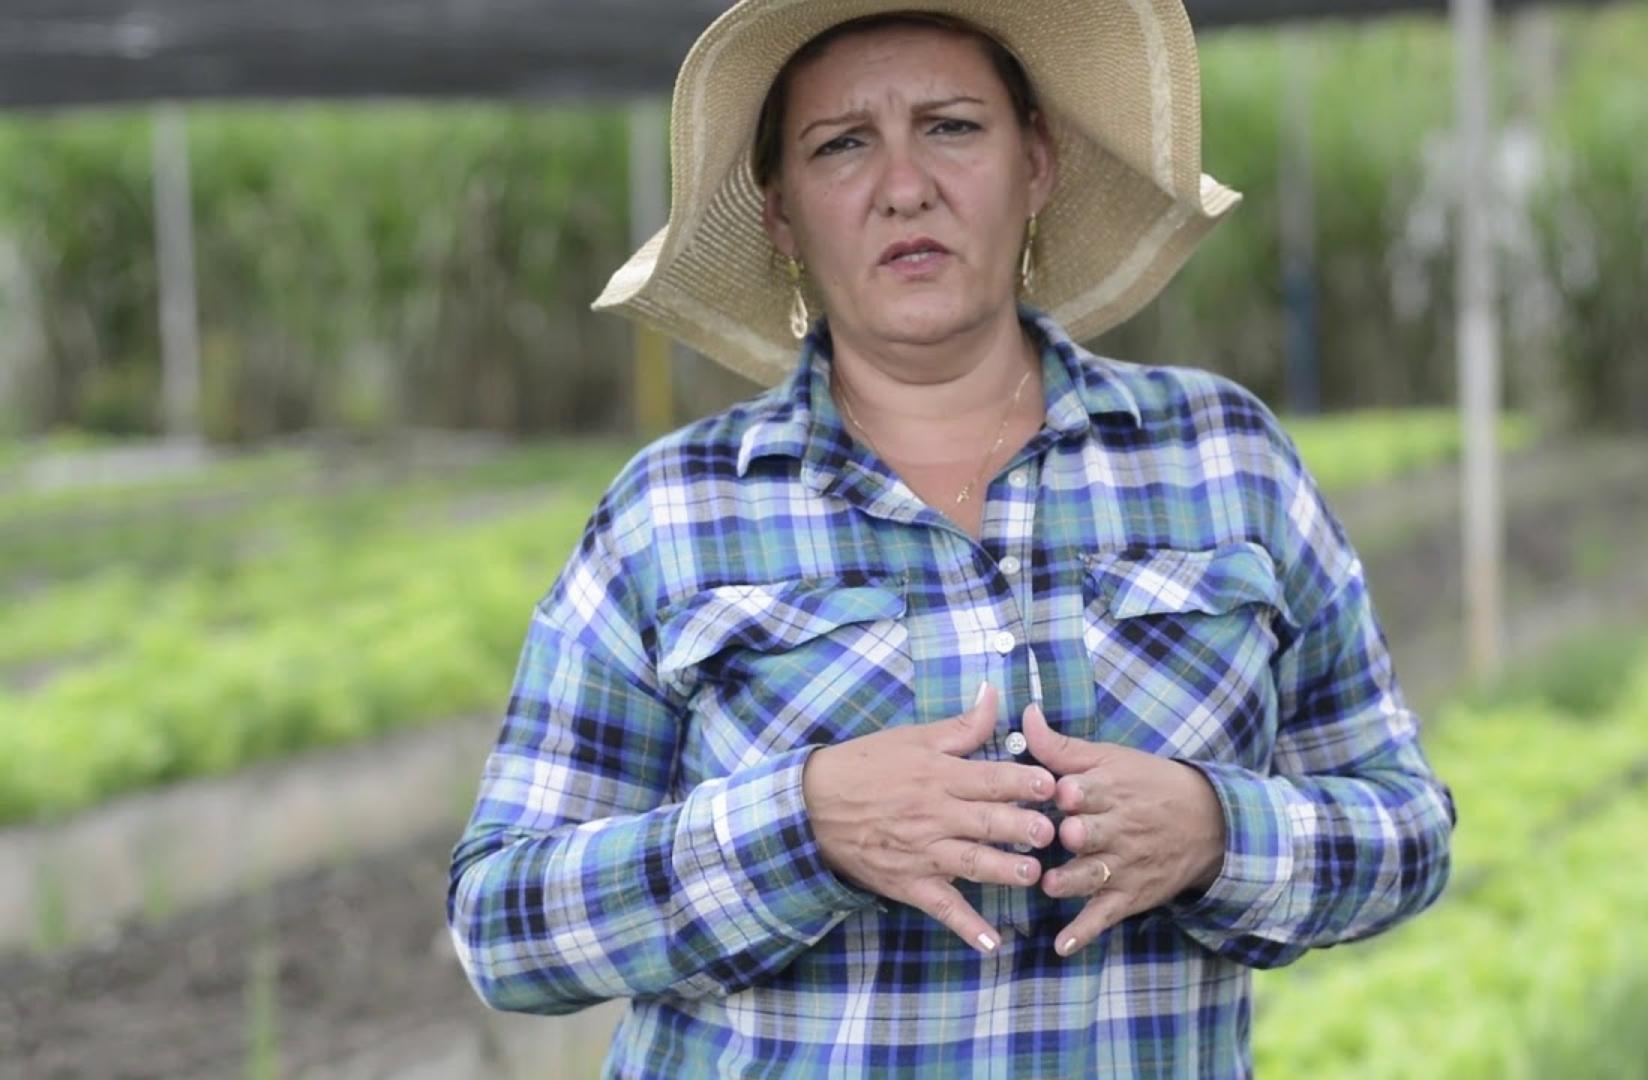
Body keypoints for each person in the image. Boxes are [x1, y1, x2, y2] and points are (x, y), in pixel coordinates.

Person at [446, 2, 1457, 1075]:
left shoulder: (1222, 458)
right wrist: (803, 825)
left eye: (953, 127)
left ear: (1038, 163)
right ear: (782, 214)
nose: (904, 186)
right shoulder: (676, 512)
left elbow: (1406, 832)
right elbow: (505, 928)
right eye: (842, 145)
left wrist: (1219, 831)